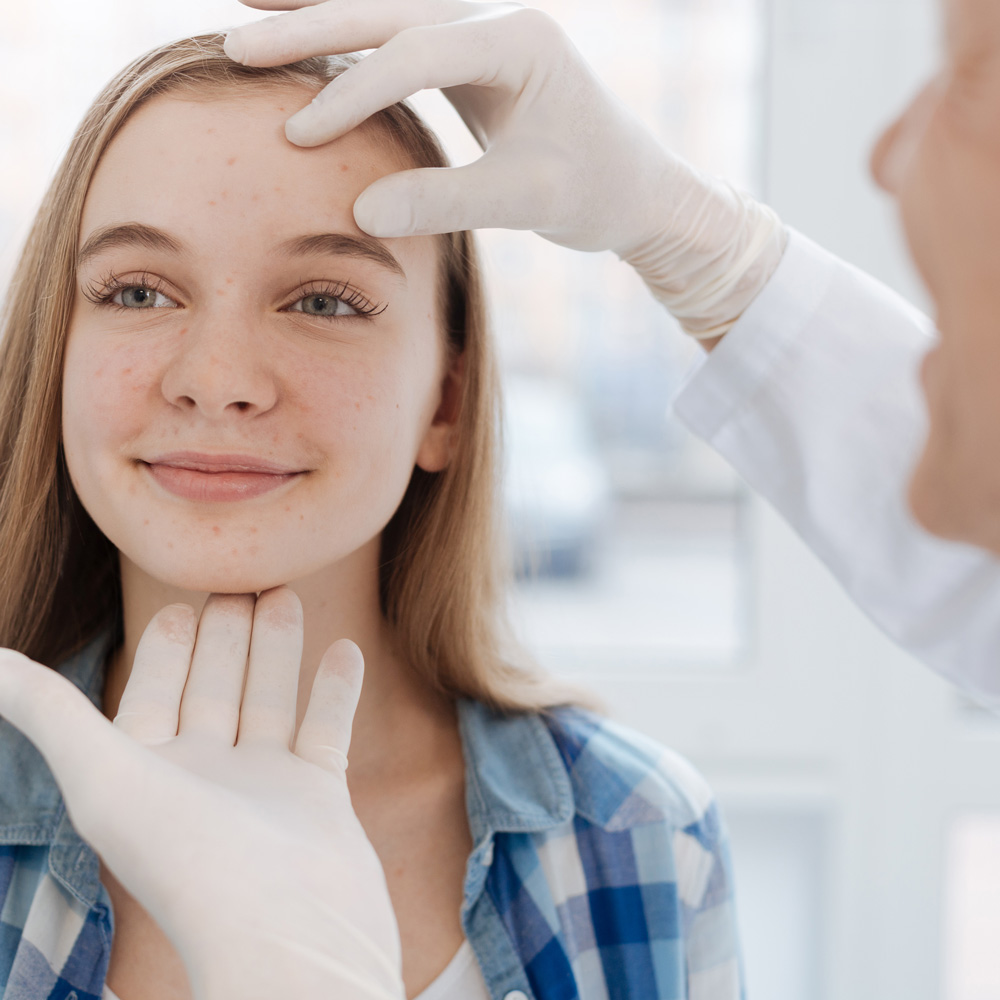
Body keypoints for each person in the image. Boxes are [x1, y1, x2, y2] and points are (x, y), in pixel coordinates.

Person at [0, 29, 742, 1000]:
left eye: (323, 301)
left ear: (444, 398)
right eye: (137, 290)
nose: (216, 381)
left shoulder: (638, 836)